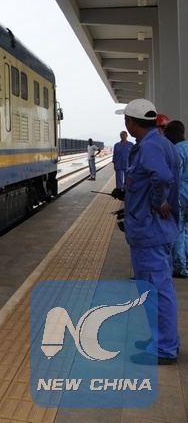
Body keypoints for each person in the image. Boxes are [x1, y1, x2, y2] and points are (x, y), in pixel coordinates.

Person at [112, 99, 180, 365]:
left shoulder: (150, 146)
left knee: (156, 290)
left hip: (150, 230)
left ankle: (164, 347)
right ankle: (161, 339)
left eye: (125, 121)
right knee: (158, 288)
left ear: (130, 122)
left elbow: (162, 177)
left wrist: (158, 201)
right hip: (156, 230)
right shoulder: (161, 143)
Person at [164, 120, 188, 278]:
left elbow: (174, 178)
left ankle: (180, 267)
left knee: (178, 230)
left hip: (181, 197)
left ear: (173, 134)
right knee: (185, 230)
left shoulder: (177, 150)